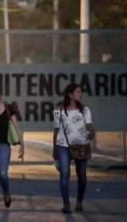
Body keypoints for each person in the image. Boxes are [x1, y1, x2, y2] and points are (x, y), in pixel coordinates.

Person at [53, 83, 95, 214]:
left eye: (80, 92)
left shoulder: (85, 110)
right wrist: (54, 149)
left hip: (81, 146)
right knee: (65, 173)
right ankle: (66, 204)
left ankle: (79, 201)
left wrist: (92, 131)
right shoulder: (59, 110)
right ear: (70, 94)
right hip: (63, 145)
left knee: (82, 176)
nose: (80, 94)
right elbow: (56, 130)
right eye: (77, 92)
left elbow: (89, 125)